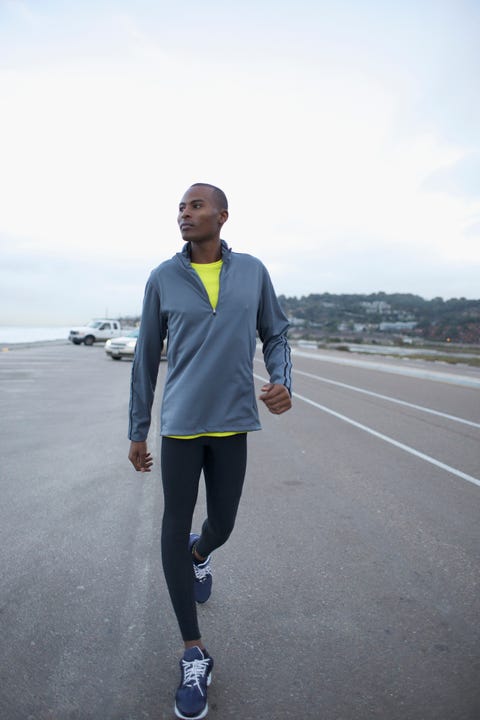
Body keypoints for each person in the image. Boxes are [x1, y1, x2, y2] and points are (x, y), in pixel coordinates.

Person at [128, 183, 292, 719]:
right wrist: (138, 430)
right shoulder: (163, 278)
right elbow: (146, 356)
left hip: (233, 423)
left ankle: (202, 554)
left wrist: (282, 382)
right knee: (173, 525)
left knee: (221, 525)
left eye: (196, 206)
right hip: (179, 429)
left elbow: (277, 333)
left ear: (222, 216)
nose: (185, 213)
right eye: (180, 207)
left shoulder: (252, 272)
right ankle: (193, 652)